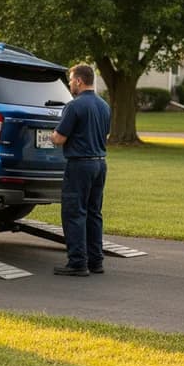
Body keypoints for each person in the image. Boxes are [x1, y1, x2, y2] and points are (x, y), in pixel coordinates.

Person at [50, 64, 111, 277]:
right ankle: (96, 261)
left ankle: (77, 262)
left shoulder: (74, 106)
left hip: (79, 165)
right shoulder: (104, 106)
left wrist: (50, 135)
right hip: (100, 163)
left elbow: (59, 138)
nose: (69, 85)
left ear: (79, 81)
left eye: (70, 81)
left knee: (74, 212)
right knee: (94, 213)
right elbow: (105, 136)